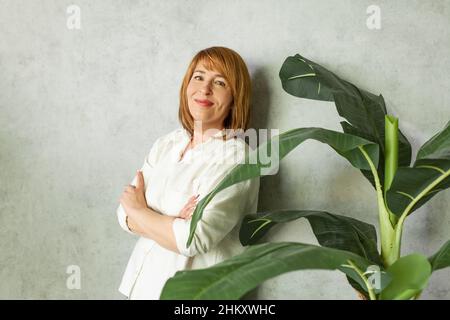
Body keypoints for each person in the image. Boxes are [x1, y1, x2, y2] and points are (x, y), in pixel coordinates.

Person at [116, 46, 260, 300]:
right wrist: (172, 222)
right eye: (199, 76)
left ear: (235, 97)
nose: (204, 89)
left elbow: (193, 239)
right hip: (143, 289)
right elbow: (122, 215)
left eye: (219, 82)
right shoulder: (167, 144)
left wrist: (141, 210)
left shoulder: (238, 159)